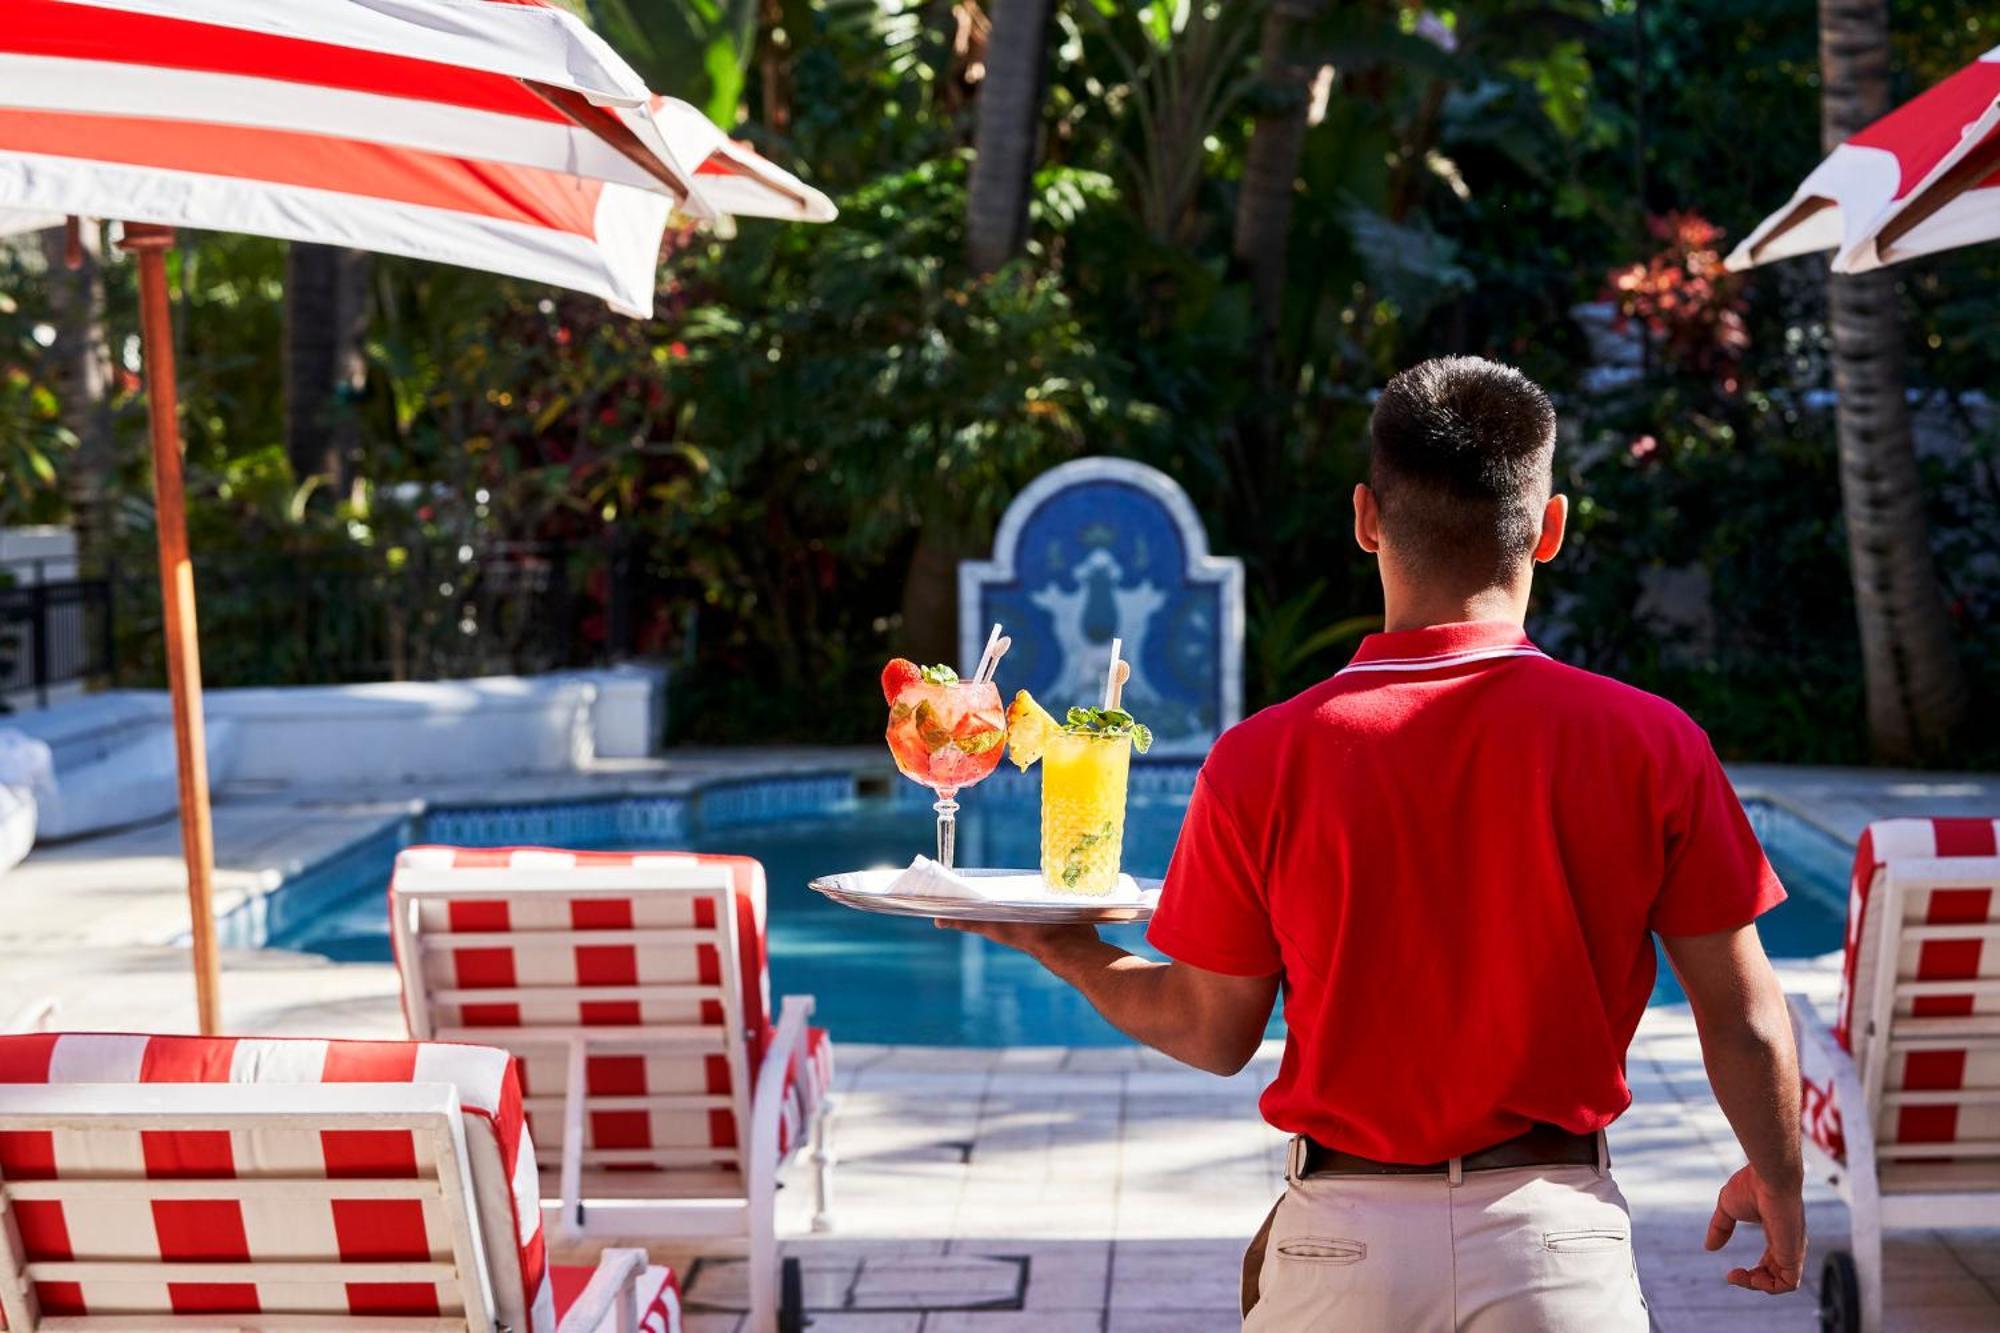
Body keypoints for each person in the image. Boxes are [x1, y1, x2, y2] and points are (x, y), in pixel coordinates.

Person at [943, 355, 1805, 1330]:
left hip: (1337, 1242)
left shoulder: (1262, 756)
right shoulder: (1651, 742)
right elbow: (1744, 1018)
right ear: (1550, 527)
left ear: (1363, 518)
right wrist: (1777, 1179)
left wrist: (1075, 953)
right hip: (1553, 1244)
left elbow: (1211, 1027)